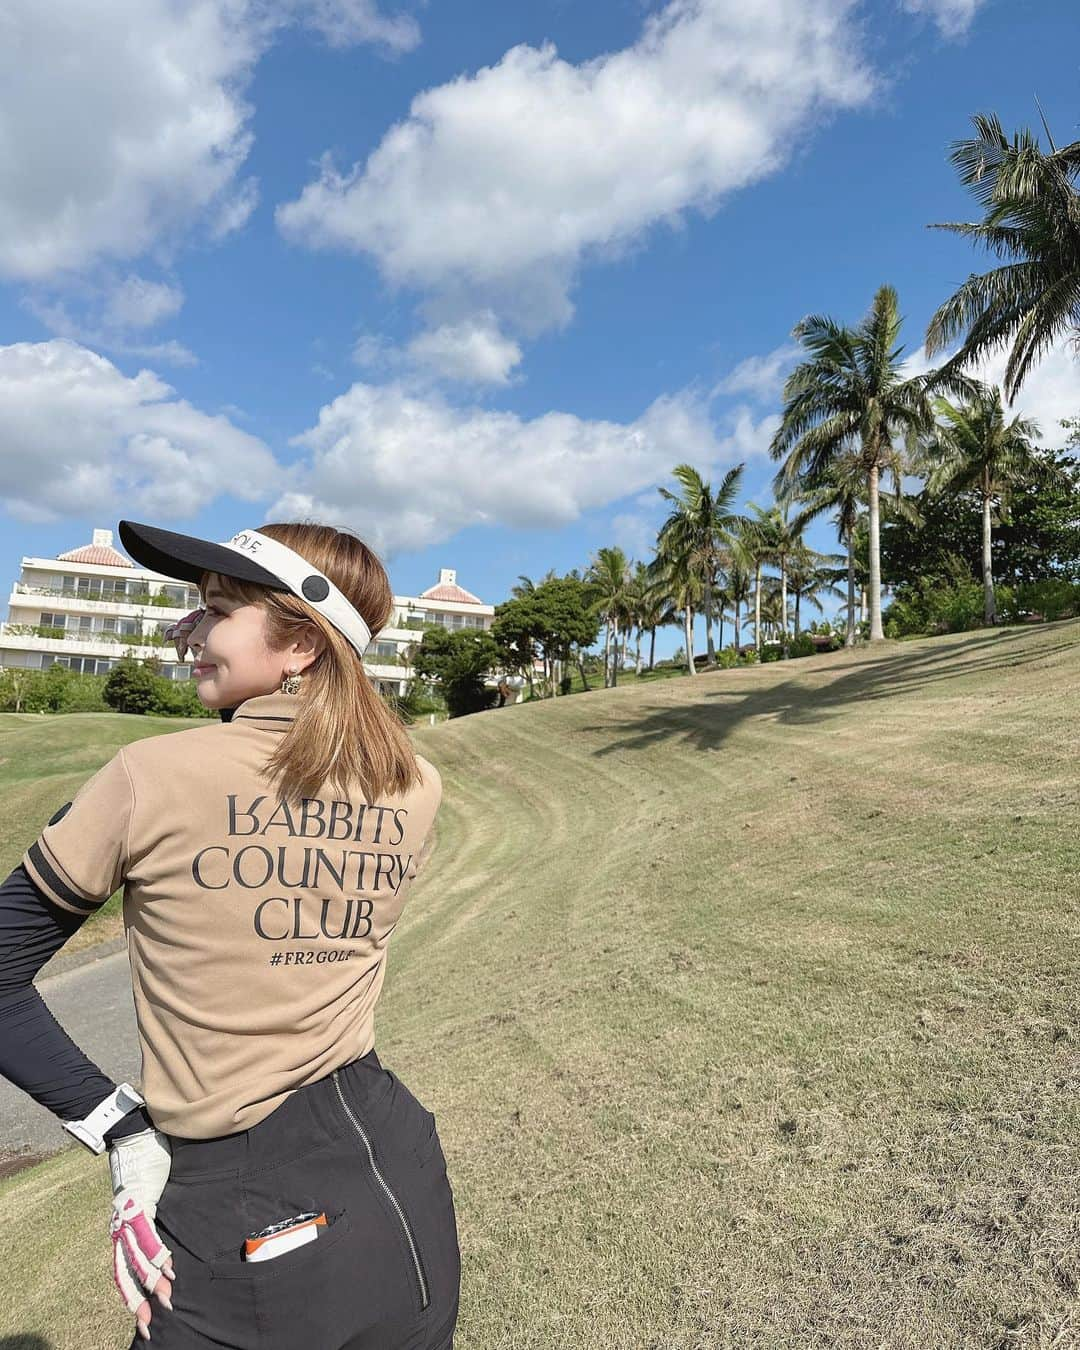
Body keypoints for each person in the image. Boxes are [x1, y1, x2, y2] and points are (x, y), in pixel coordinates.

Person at [0, 520, 461, 1349]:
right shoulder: (415, 784)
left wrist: (120, 1127)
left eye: (214, 611)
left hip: (243, 1218)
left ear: (300, 648)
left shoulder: (151, 777)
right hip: (403, 1176)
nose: (185, 632)